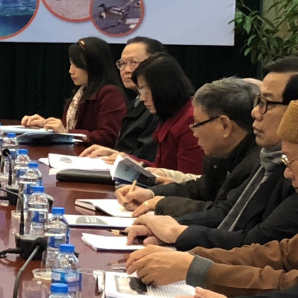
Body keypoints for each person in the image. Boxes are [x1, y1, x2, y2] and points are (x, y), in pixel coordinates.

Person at [125, 99, 298, 296]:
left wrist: (191, 261)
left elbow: (285, 282)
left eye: (289, 160)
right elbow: (278, 254)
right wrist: (190, 258)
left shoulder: (267, 167)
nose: (256, 113)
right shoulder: (261, 160)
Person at [125, 62, 298, 252]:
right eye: (258, 101)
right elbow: (223, 209)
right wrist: (169, 224)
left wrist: (178, 232)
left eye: (267, 103)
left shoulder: (275, 164)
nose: (255, 112)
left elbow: (259, 244)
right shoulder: (268, 158)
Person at [116, 77, 260, 218]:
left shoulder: (254, 166)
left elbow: (221, 214)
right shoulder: (223, 154)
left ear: (225, 126)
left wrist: (162, 203)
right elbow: (200, 188)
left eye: (197, 123)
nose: (193, 131)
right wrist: (151, 193)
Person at [74, 53, 203, 174]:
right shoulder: (169, 115)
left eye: (145, 90)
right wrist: (121, 157)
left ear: (163, 87)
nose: (142, 98)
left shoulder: (190, 120)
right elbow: (159, 168)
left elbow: (186, 179)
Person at [20, 37, 126, 147]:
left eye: (77, 65)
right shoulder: (80, 92)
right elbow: (67, 128)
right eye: (71, 64)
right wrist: (45, 125)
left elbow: (108, 137)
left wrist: (67, 133)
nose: (71, 71)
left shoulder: (110, 93)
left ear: (93, 66)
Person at [113, 36, 167, 158]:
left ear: (156, 63)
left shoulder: (160, 104)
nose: (127, 70)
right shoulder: (135, 102)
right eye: (122, 63)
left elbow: (147, 155)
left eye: (134, 62)